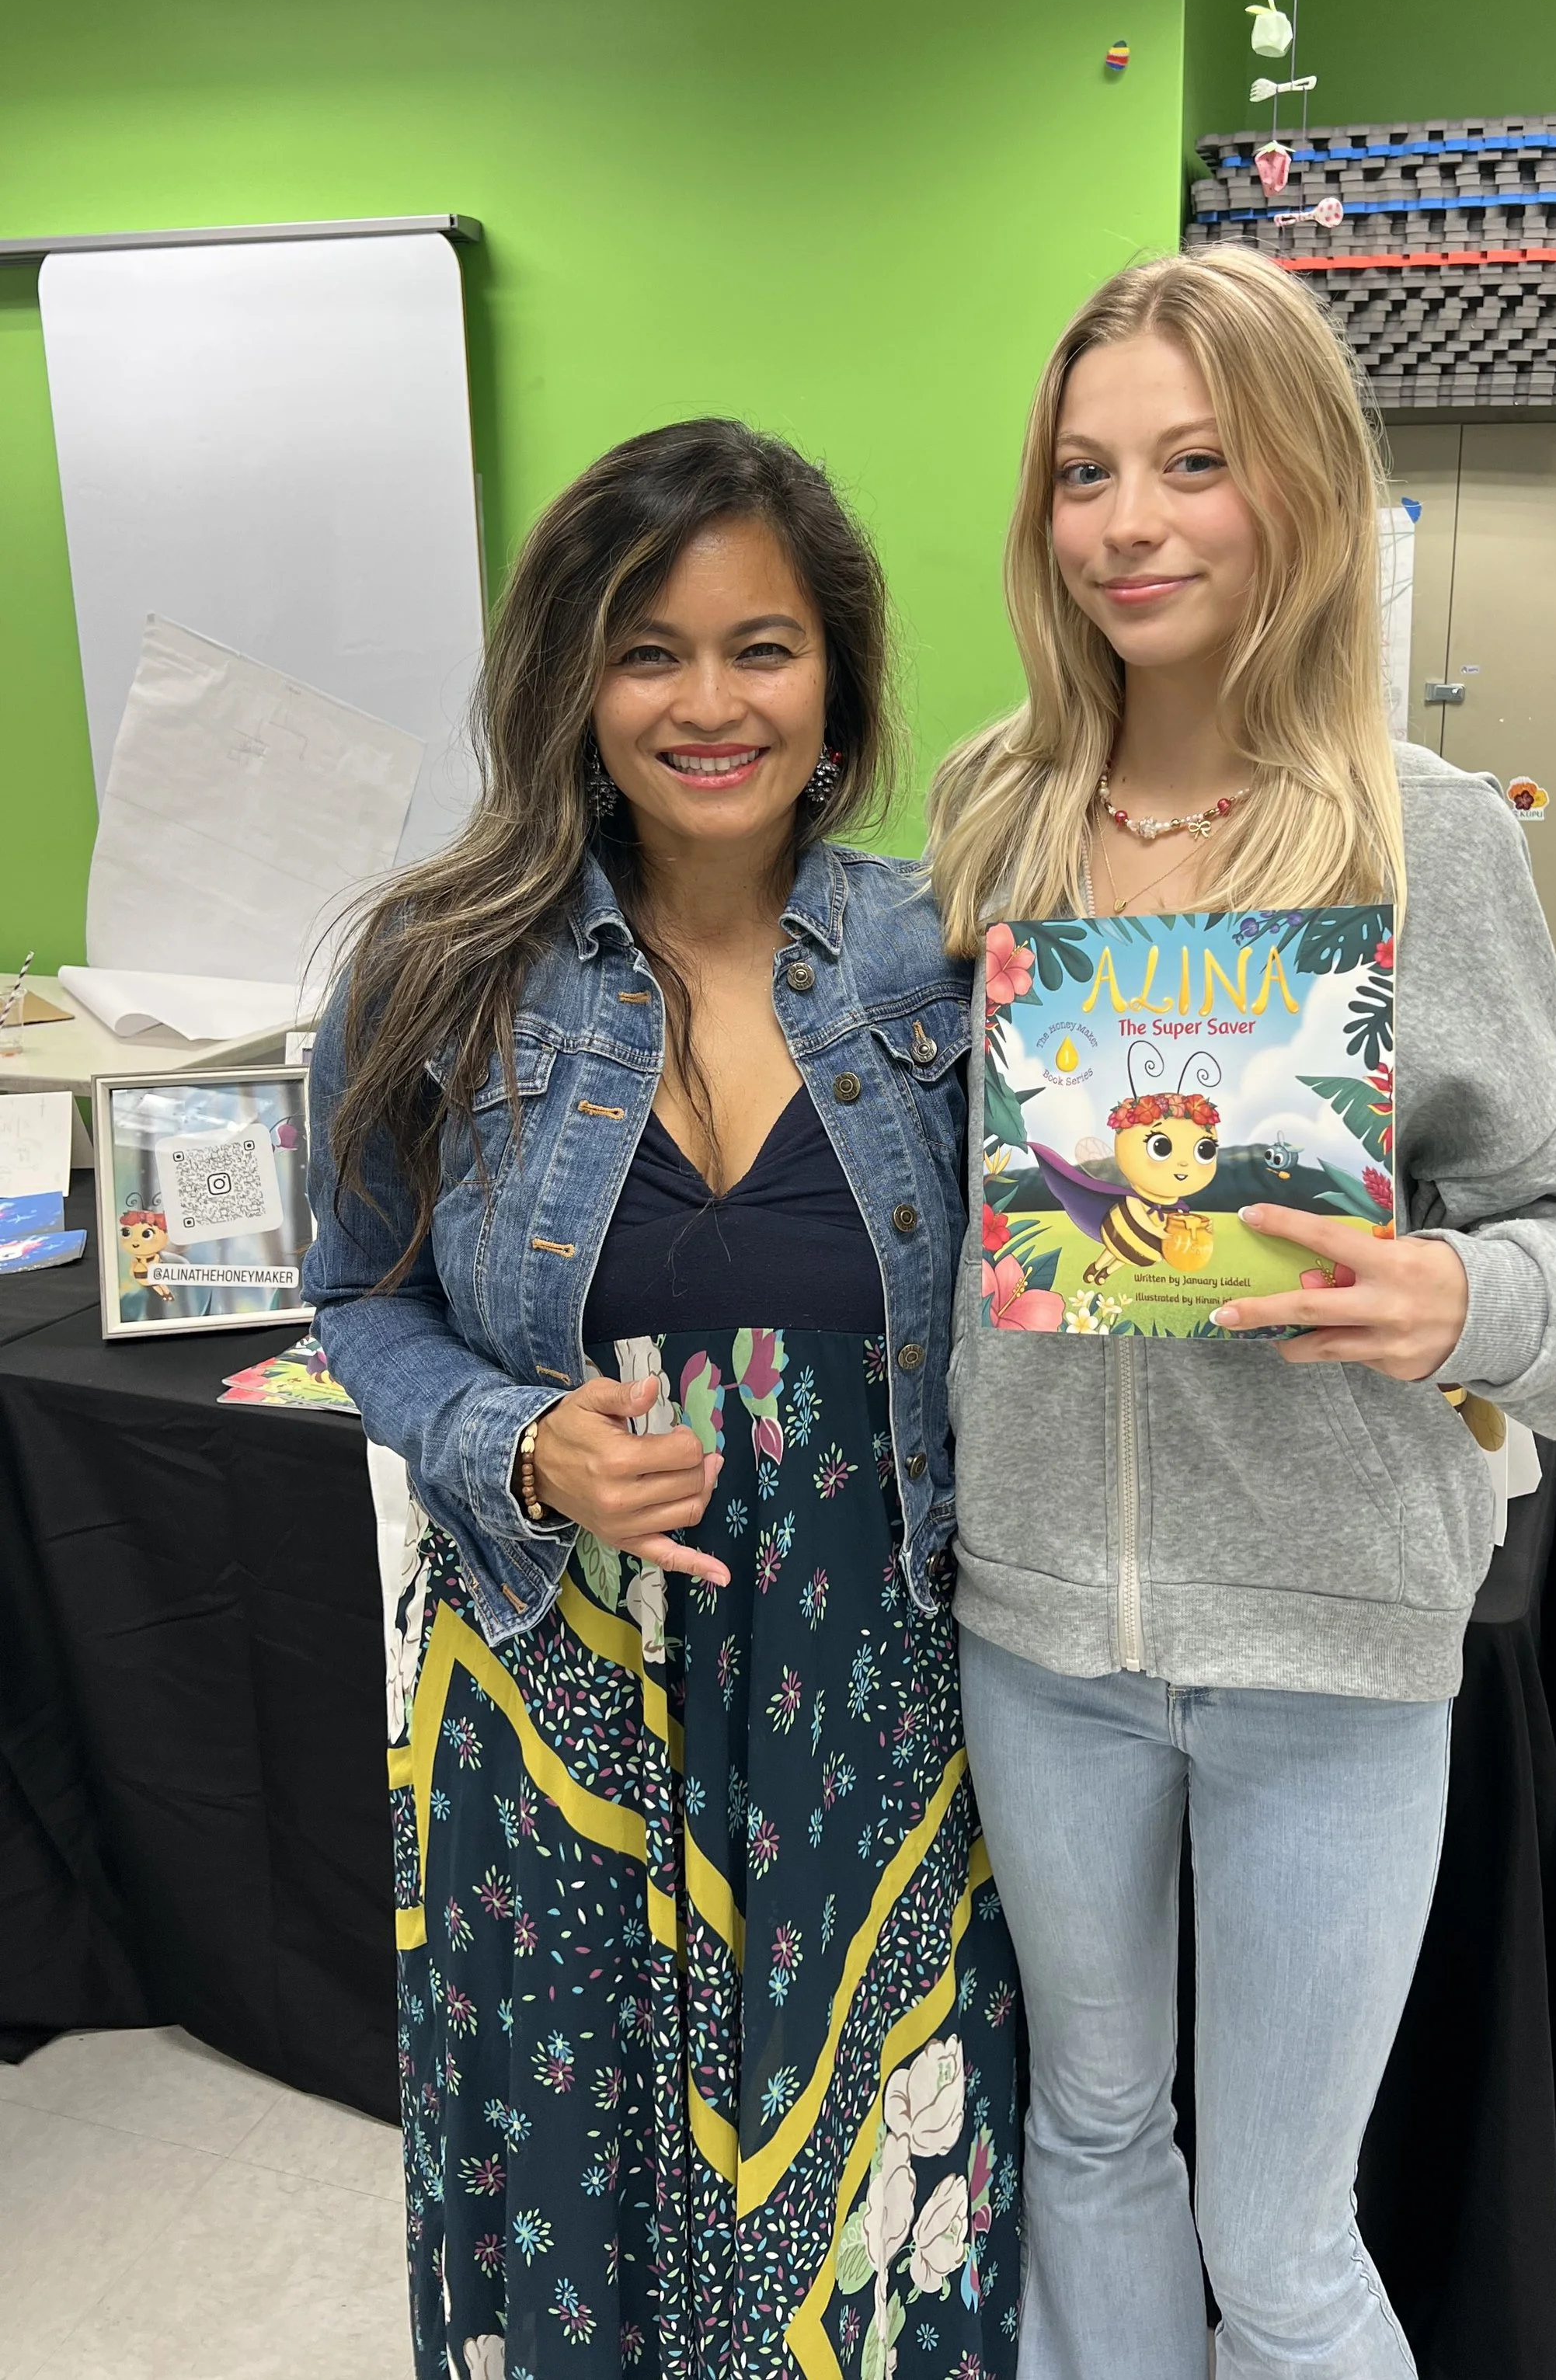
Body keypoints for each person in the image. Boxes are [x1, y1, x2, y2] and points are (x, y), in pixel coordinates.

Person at [928, 249, 1556, 2380]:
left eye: (1192, 462)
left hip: (1328, 1642)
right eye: (1083, 471)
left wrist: (1449, 1297)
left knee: (1285, 2241)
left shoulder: (1421, 839)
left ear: (1298, 486)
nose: (1127, 521)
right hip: (1041, 1632)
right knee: (1088, 2133)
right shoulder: (991, 815)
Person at [306, 422, 1022, 2380]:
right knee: (570, 2178)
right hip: (553, 1691)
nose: (709, 703)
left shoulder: (951, 961)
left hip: (874, 1695)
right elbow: (355, 1301)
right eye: (647, 649)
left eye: (761, 647)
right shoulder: (434, 969)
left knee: (874, 2198)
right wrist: (516, 1439)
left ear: (839, 679)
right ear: (572, 681)